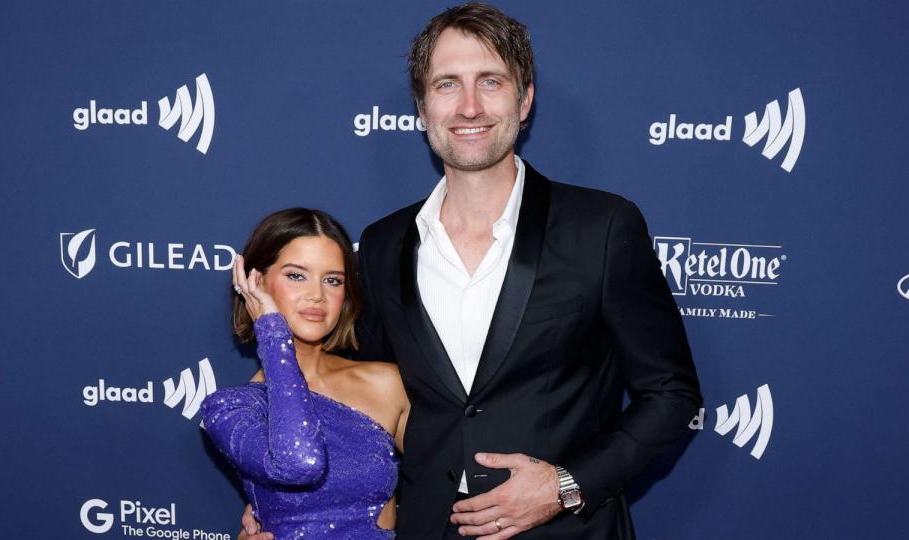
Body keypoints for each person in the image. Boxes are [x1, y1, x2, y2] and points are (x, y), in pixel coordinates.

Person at [241, 3, 701, 539]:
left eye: (490, 81)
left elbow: (671, 394)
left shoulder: (601, 226)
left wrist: (566, 485)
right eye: (447, 85)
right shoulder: (385, 244)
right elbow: (353, 411)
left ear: (524, 99)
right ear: (422, 106)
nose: (469, 106)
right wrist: (285, 509)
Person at [201, 208, 409, 539]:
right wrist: (272, 334)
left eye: (333, 280)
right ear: (257, 282)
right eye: (296, 275)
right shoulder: (232, 409)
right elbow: (299, 464)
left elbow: (446, 484)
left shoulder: (387, 383)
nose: (317, 295)